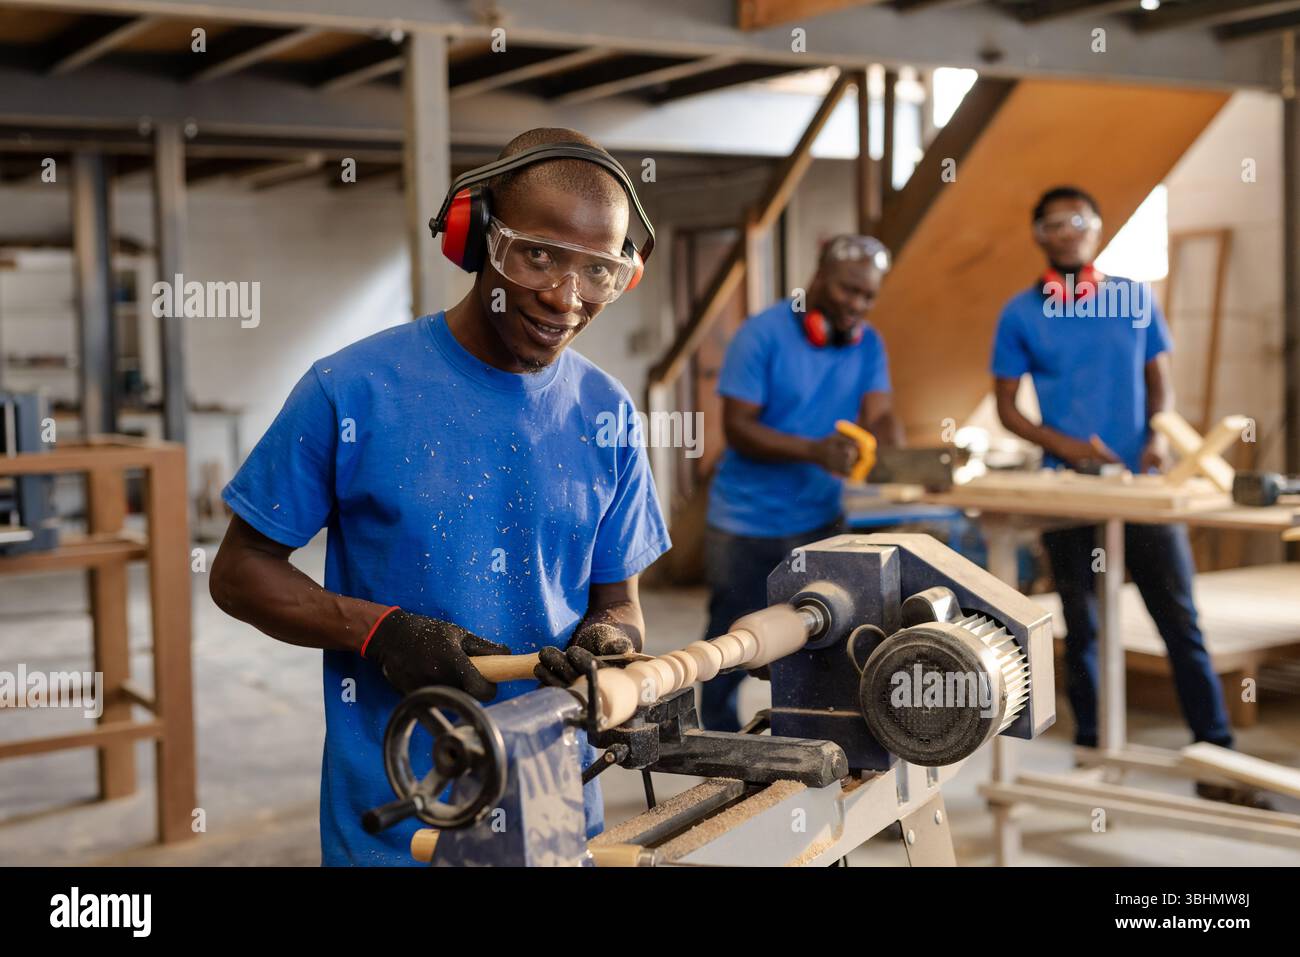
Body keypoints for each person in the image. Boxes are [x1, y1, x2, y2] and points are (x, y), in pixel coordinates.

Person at [209, 127, 672, 864]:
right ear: (479, 235)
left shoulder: (607, 412)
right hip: (397, 816)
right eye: (539, 256)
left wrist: (608, 644)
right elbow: (237, 572)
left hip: (554, 804)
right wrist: (381, 632)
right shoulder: (351, 389)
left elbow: (619, 601)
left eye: (600, 272)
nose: (566, 297)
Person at [990, 185, 1262, 806]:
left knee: (1179, 620)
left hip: (1142, 486)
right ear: (1038, 235)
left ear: (1096, 229)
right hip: (1067, 489)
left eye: (1079, 219)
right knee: (1079, 626)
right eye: (1053, 222)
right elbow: (1007, 407)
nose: (1068, 230)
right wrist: (1069, 445)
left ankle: (1217, 757)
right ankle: (1093, 751)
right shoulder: (1020, 313)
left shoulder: (1133, 298)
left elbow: (1158, 382)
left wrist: (1159, 439)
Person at [700, 235, 902, 731]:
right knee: (734, 634)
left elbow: (880, 411)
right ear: (818, 279)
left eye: (868, 296)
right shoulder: (761, 334)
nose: (858, 304)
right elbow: (738, 429)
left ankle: (806, 735)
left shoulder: (868, 342)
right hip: (746, 520)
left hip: (820, 515)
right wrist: (814, 450)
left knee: (820, 629)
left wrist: (892, 445)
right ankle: (720, 739)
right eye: (848, 290)